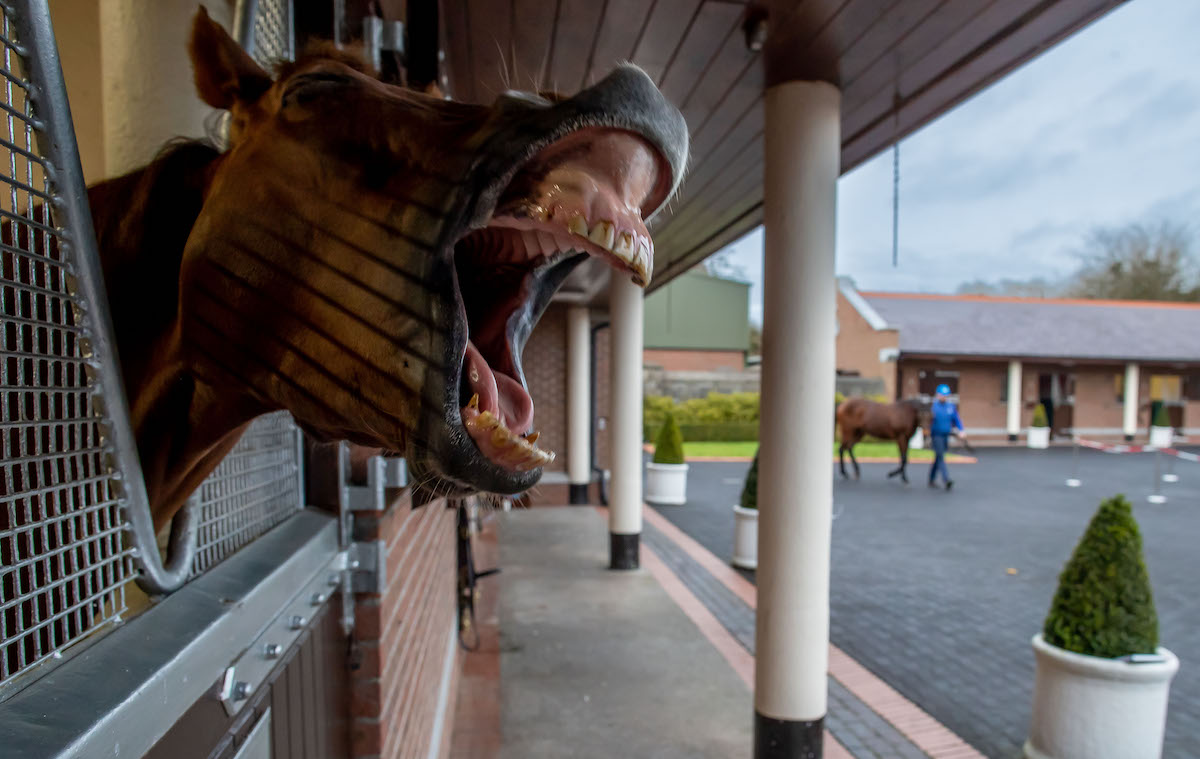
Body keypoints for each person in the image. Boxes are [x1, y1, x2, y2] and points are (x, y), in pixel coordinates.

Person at [928, 384, 965, 490]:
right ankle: (946, 479)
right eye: (942, 395)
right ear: (937, 395)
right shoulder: (933, 407)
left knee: (938, 457)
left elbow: (956, 419)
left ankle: (931, 479)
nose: (944, 397)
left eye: (945, 395)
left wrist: (961, 430)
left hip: (945, 436)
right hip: (936, 436)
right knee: (940, 456)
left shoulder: (951, 407)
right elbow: (927, 421)